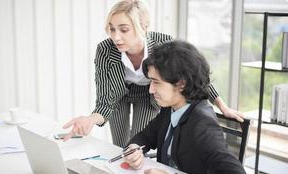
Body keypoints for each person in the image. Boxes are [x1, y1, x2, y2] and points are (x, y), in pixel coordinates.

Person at [63, 0, 244, 147]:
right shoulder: (105, 50)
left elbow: (194, 73)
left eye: (124, 29)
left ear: (144, 26)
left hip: (149, 94)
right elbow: (105, 99)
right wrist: (91, 119)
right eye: (112, 29)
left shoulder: (163, 44)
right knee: (119, 146)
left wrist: (222, 106)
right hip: (119, 97)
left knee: (136, 144)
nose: (115, 37)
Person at [124, 40, 254, 174]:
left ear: (181, 84)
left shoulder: (203, 124)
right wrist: (135, 148)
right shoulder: (170, 108)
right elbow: (146, 136)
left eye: (156, 82)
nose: (151, 89)